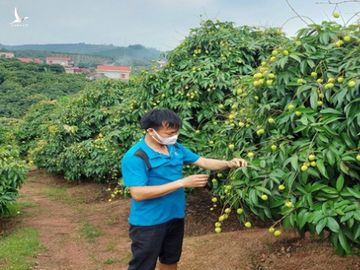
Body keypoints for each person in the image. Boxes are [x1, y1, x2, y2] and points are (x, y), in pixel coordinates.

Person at [121, 108, 248, 270]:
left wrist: (229, 163)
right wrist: (182, 183)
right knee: (143, 265)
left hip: (175, 216)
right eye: (169, 133)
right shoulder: (136, 156)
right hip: (148, 222)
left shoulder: (175, 148)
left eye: (175, 132)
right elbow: (138, 193)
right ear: (151, 131)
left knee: (170, 259)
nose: (173, 136)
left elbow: (203, 161)